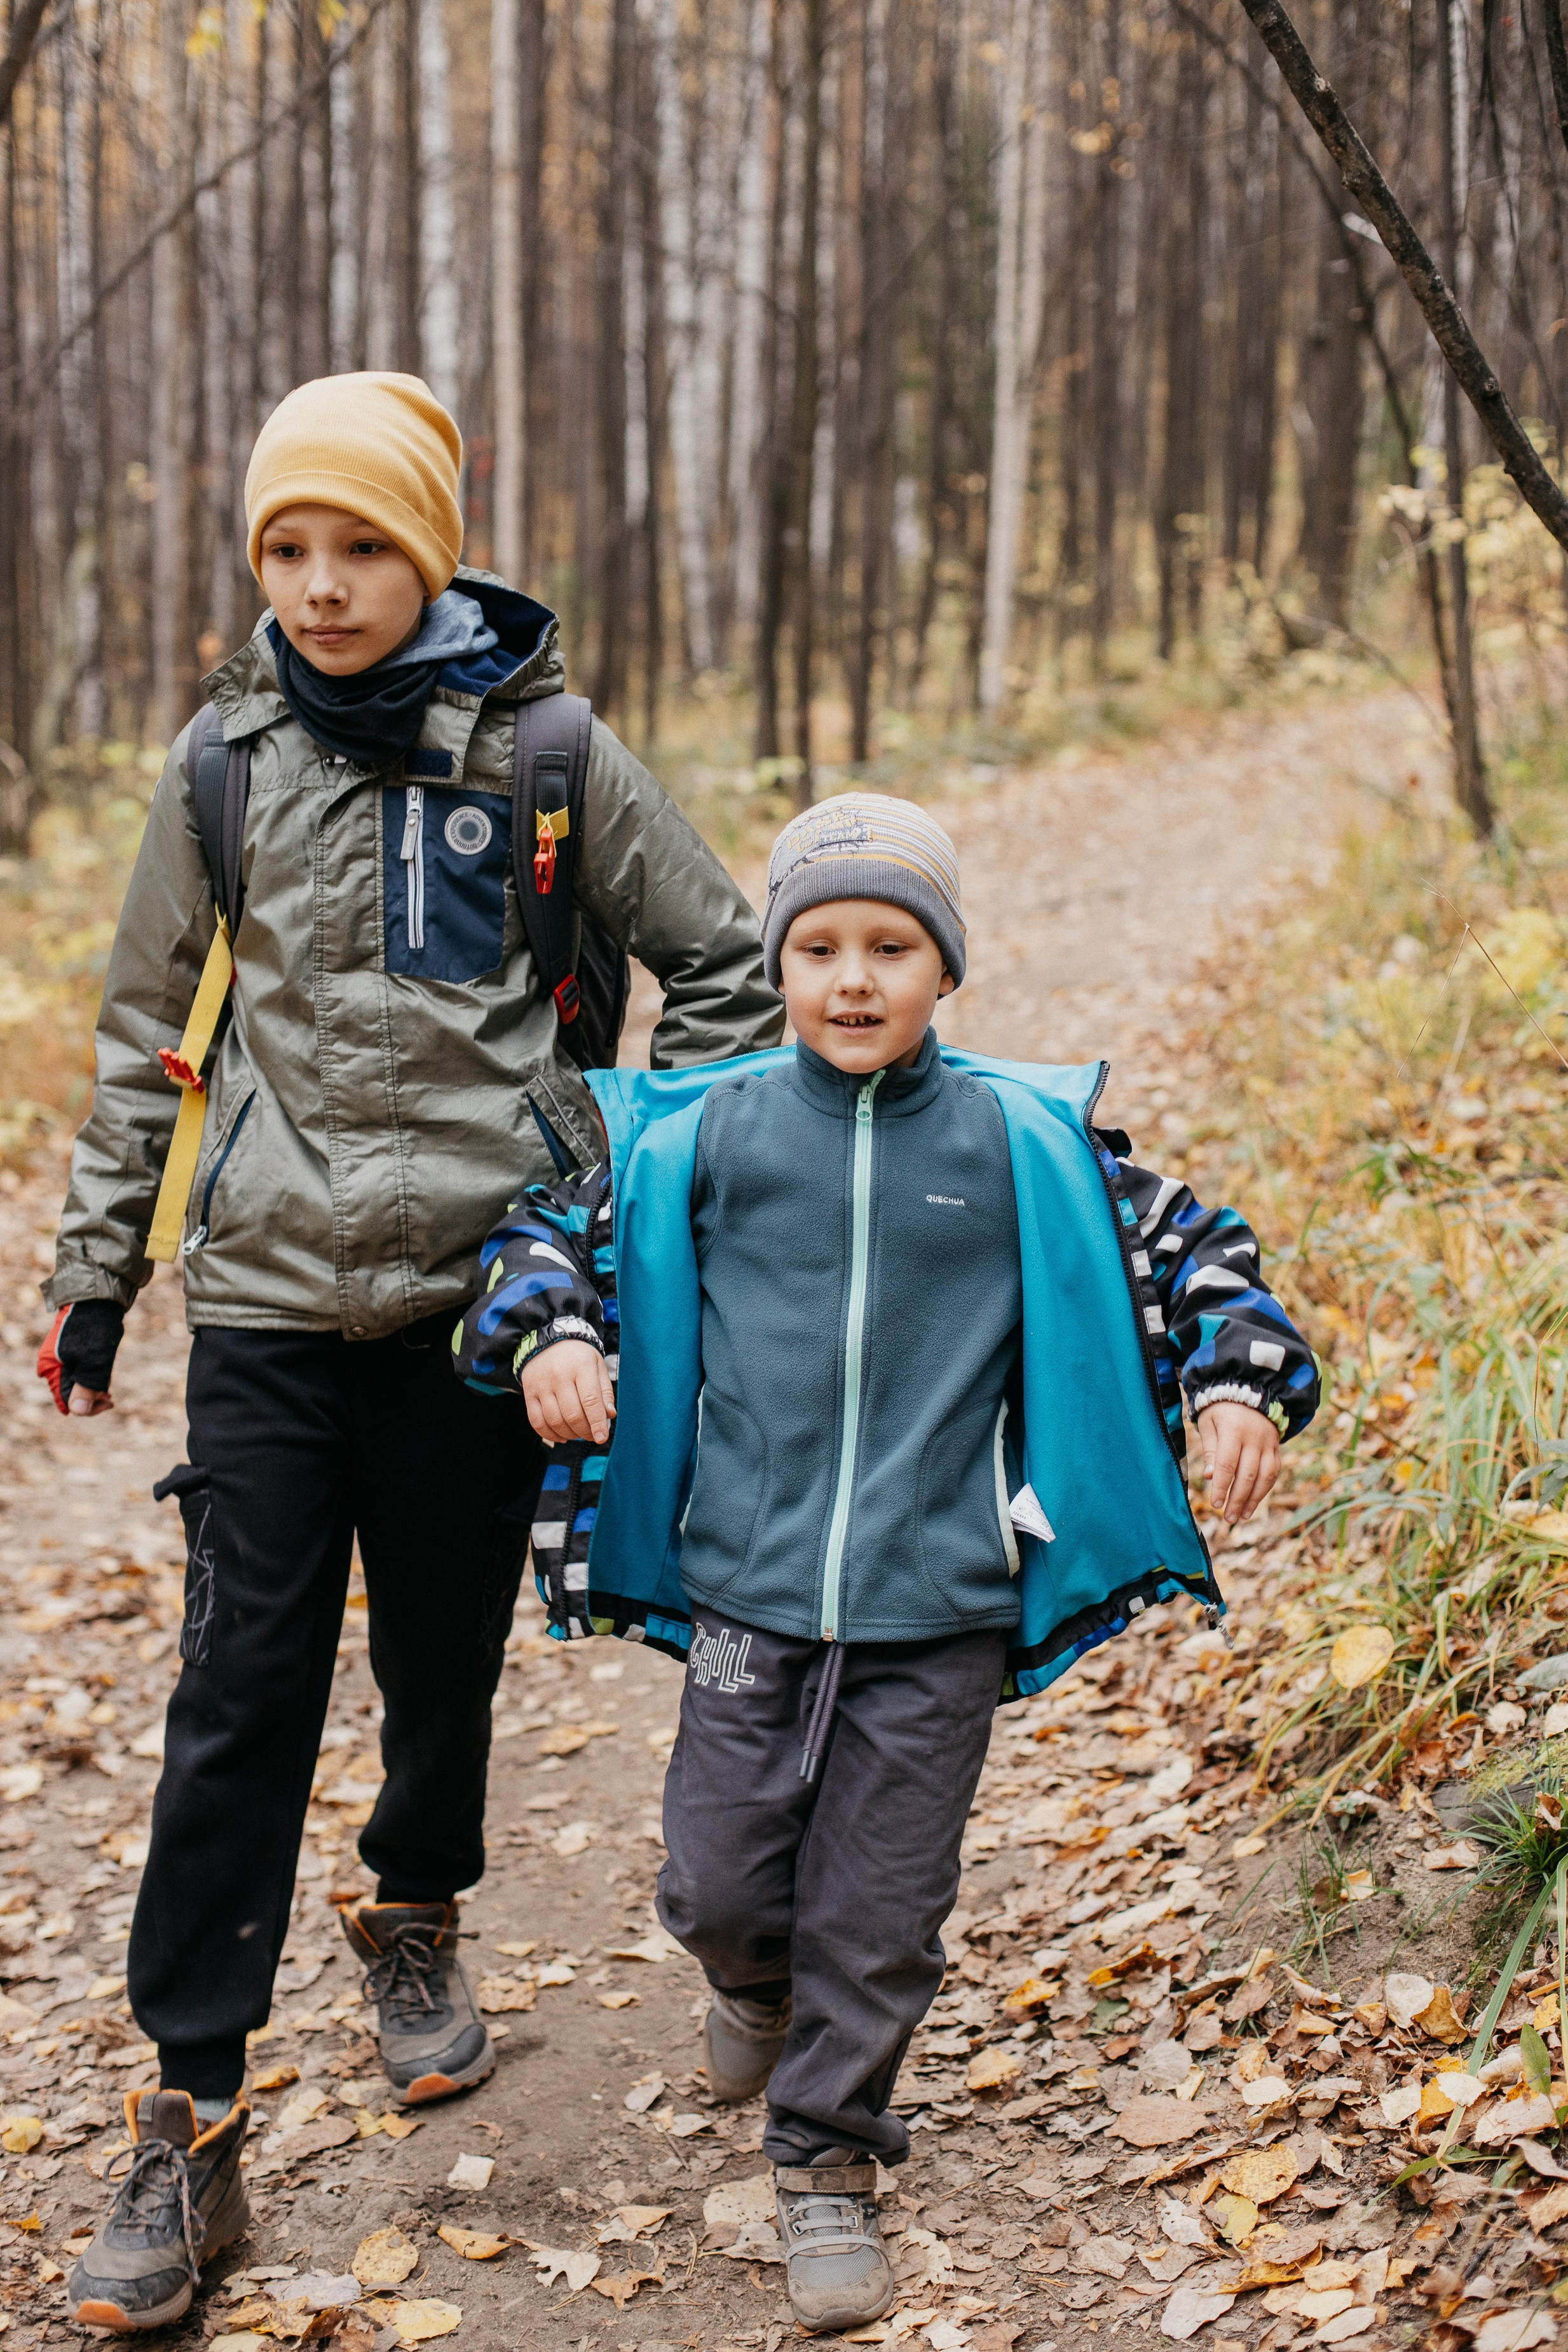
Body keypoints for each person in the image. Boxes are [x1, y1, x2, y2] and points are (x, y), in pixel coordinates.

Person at [37, 371, 783, 2334]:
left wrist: (608, 1184)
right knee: (239, 1686)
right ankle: (188, 2113)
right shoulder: (219, 761)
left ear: (427, 551)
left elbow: (719, 955)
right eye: (288, 547)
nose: (321, 583)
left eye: (359, 544)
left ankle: (418, 1904)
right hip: (270, 1305)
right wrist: (96, 1268)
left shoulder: (544, 748)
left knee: (441, 1648)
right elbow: (145, 1033)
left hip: (485, 1308)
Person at [453, 791, 1321, 2335]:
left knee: (884, 1895)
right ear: (780, 964)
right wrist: (558, 1329)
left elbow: (1197, 1250)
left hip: (941, 1597)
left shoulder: (1021, 1141)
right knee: (718, 1879)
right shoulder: (703, 1132)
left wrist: (1237, 1375)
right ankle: (753, 1982)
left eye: (893, 946)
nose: (854, 978)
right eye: (822, 946)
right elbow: (539, 1240)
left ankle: (827, 2154)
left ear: (945, 969)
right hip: (745, 1578)